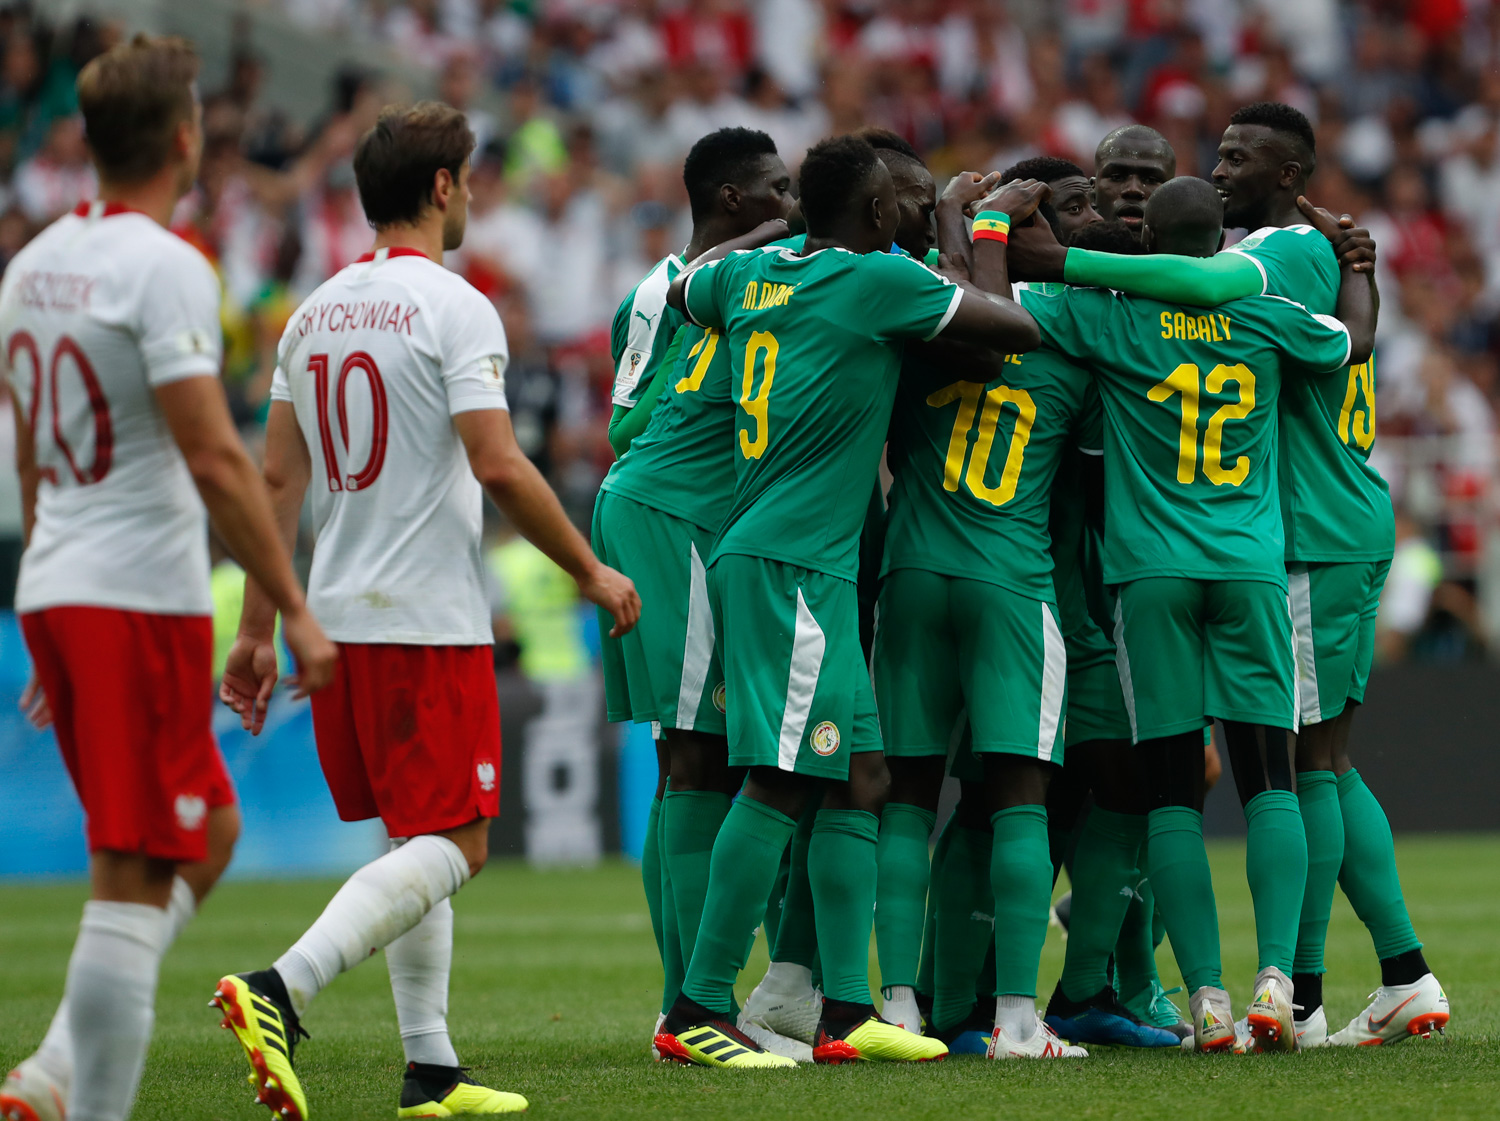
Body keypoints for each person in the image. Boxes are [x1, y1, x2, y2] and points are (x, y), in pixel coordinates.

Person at [212, 102, 639, 1121]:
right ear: (443, 188)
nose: (476, 192)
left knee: (413, 836)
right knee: (460, 840)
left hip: (335, 613)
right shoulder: (456, 305)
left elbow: (276, 481)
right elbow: (497, 461)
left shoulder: (312, 311)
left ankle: (431, 1067)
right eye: (468, 177)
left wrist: (258, 628)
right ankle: (280, 987)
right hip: (425, 616)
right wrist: (590, 569)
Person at [1024, 101, 1449, 1050]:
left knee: (1194, 787)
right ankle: (1287, 980)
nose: (1221, 169)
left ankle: (1230, 992)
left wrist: (1012, 236)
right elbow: (1355, 341)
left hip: (1176, 568)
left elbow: (1035, 297)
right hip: (1259, 560)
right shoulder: (1278, 306)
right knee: (1287, 778)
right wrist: (1364, 274)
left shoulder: (1188, 289)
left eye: (1236, 157)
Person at [649, 134, 1045, 1068]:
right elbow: (1013, 329)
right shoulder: (877, 280)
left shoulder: (757, 278)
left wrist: (774, 238)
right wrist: (971, 220)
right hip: (793, 565)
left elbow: (681, 286)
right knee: (783, 778)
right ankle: (697, 1008)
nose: (916, 211)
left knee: (861, 776)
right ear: (875, 216)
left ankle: (845, 1012)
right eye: (908, 200)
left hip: (787, 557)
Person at [0, 36, 337, 1121]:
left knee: (210, 833)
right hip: (131, 592)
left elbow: (27, 449)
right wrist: (290, 603)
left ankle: (53, 1071)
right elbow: (213, 452)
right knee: (134, 871)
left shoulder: (33, 260)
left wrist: (48, 593)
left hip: (65, 582)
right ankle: (79, 1101)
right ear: (185, 135)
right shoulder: (166, 263)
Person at [873, 152, 1111, 1060]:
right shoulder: (1075, 333)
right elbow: (1086, 488)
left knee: (906, 795)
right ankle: (1017, 1017)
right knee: (1020, 796)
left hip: (913, 569)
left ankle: (897, 1008)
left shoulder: (926, 315)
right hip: (1012, 579)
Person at [591, 126, 795, 1057]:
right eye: (777, 190)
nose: (792, 205)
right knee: (700, 752)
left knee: (685, 754)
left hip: (676, 517)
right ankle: (689, 1009)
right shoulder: (665, 290)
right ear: (733, 201)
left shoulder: (691, 287)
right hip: (675, 517)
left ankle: (682, 1002)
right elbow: (624, 426)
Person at [1090, 124, 1176, 235]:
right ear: (1092, 191)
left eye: (1151, 180)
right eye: (1117, 177)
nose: (1133, 190)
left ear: (1173, 198)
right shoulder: (1065, 251)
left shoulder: (1199, 251)